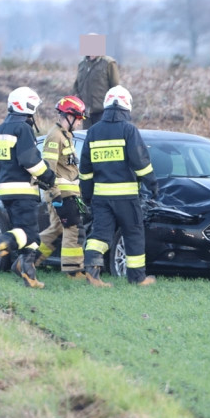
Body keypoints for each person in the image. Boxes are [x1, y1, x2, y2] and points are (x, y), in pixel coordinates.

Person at [0, 86, 57, 288]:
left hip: (5, 191)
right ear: (27, 106)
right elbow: (30, 161)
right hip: (23, 190)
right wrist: (48, 176)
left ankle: (28, 274)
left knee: (28, 237)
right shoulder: (23, 129)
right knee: (28, 234)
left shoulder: (1, 128)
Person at [80, 85, 158, 287]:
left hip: (101, 198)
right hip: (126, 197)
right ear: (126, 107)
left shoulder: (93, 132)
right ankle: (137, 278)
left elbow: (86, 169)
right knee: (133, 234)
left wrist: (87, 195)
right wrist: (153, 185)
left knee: (100, 235)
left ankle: (92, 273)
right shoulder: (128, 130)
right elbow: (140, 162)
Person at [37, 95, 88, 278]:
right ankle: (73, 271)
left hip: (69, 192)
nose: (80, 123)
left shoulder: (66, 136)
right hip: (61, 193)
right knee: (73, 229)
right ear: (69, 116)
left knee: (56, 229)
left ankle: (29, 261)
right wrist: (54, 194)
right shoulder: (55, 136)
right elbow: (47, 169)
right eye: (79, 119)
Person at [73, 51, 120, 129]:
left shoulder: (108, 63)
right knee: (87, 137)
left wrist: (114, 109)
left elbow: (115, 88)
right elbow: (76, 86)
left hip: (103, 112)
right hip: (86, 113)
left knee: (101, 138)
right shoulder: (82, 64)